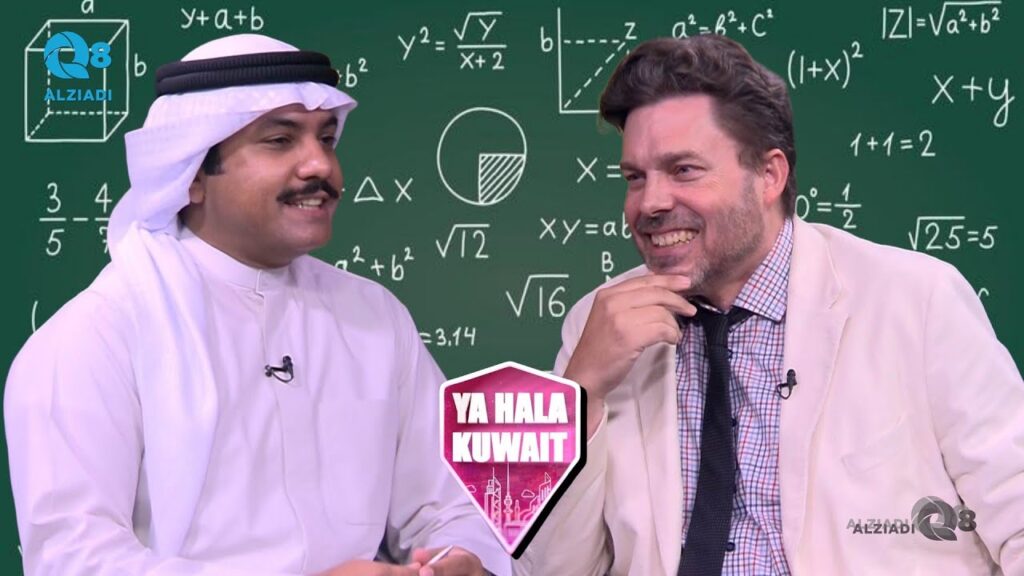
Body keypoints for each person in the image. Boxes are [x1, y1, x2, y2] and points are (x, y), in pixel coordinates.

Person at [514, 35, 1024, 575]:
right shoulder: (597, 324)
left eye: (683, 170)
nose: (651, 203)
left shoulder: (916, 301)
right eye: (635, 178)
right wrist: (579, 393)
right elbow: (555, 569)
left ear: (769, 176)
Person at [5, 34, 508, 576]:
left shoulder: (375, 316)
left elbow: (455, 504)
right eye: (279, 141)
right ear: (192, 175)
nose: (320, 165)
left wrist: (463, 559)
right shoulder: (95, 337)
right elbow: (74, 561)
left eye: (327, 139)